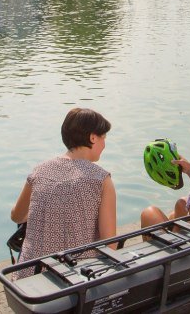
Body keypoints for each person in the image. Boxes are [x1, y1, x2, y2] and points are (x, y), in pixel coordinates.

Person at [10, 108, 117, 277]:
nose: (104, 144)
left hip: (26, 280)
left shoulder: (40, 171)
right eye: (103, 137)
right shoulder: (101, 179)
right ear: (92, 137)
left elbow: (16, 216)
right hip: (74, 282)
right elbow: (110, 244)